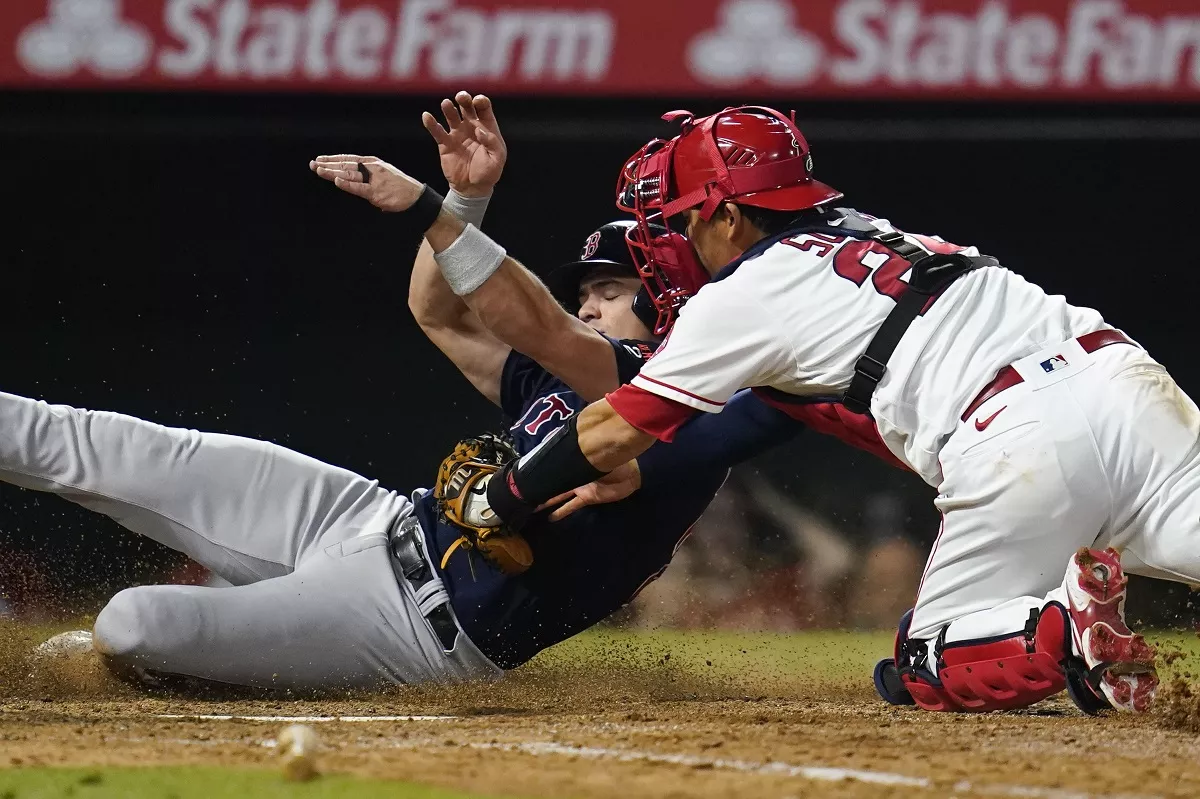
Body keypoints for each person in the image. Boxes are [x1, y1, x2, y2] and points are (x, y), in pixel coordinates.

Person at [378, 104, 1196, 716]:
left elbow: (617, 426)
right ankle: (1073, 626)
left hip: (1012, 434)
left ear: (729, 211)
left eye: (680, 217)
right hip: (1122, 377)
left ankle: (1062, 623)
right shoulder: (873, 231)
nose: (669, 239)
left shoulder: (749, 289)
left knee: (921, 663)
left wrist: (504, 497)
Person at [20, 95, 799, 691]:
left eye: (613, 289)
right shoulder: (576, 372)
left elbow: (541, 328)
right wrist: (464, 203)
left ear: (667, 298)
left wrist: (432, 211)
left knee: (132, 622)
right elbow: (440, 312)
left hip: (417, 630)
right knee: (85, 439)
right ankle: (231, 632)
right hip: (375, 514)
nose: (589, 304)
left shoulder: (688, 408)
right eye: (585, 291)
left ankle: (208, 652)